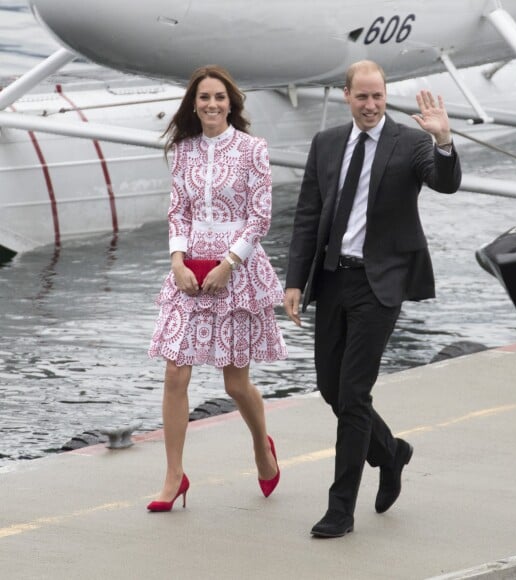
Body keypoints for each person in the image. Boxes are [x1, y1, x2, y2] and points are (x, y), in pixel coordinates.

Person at [284, 60, 462, 537]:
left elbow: (444, 181)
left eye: (378, 96)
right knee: (330, 386)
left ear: (386, 97)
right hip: (332, 278)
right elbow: (307, 214)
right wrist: (294, 281)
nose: (370, 105)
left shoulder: (410, 142)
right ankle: (390, 452)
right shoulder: (326, 144)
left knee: (355, 393)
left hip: (380, 282)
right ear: (347, 95)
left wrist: (444, 140)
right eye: (361, 96)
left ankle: (340, 509)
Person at [147, 65, 287, 512]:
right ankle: (174, 475)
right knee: (175, 372)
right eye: (203, 97)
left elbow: (260, 216)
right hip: (188, 271)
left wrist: (229, 264)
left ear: (231, 104)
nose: (211, 104)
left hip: (236, 270)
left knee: (235, 383)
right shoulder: (184, 151)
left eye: (219, 98)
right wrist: (177, 262)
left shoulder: (252, 149)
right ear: (194, 104)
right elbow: (177, 214)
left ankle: (262, 449)